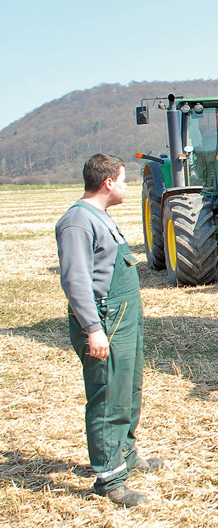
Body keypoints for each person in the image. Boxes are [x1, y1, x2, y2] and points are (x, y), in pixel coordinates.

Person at [55, 154, 164, 507]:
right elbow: (75, 281)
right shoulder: (77, 222)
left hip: (124, 317)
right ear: (107, 183)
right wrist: (93, 329)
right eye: (123, 178)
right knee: (107, 397)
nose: (127, 185)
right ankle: (109, 478)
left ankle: (127, 454)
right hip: (106, 321)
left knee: (128, 390)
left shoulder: (101, 217)